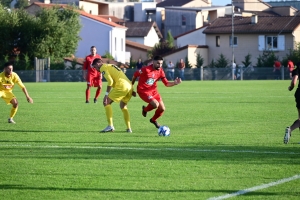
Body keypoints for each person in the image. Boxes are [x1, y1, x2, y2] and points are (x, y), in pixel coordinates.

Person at [131, 55, 182, 129]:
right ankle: (145, 110)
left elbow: (166, 83)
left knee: (162, 109)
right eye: (158, 63)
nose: (160, 65)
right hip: (143, 91)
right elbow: (135, 75)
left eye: (161, 63)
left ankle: (153, 120)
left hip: (154, 91)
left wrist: (174, 83)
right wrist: (131, 86)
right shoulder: (146, 69)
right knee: (155, 104)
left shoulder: (160, 71)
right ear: (153, 62)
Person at [92, 58, 133, 133]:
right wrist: (131, 90)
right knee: (123, 106)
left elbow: (110, 81)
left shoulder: (103, 68)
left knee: (106, 102)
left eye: (95, 67)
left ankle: (110, 126)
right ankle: (129, 128)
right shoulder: (111, 65)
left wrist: (106, 95)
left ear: (98, 64)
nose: (95, 69)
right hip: (129, 86)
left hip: (122, 86)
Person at [284, 62, 300, 144]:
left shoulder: (297, 69)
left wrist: (290, 88)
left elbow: (294, 82)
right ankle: (290, 129)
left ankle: (290, 129)